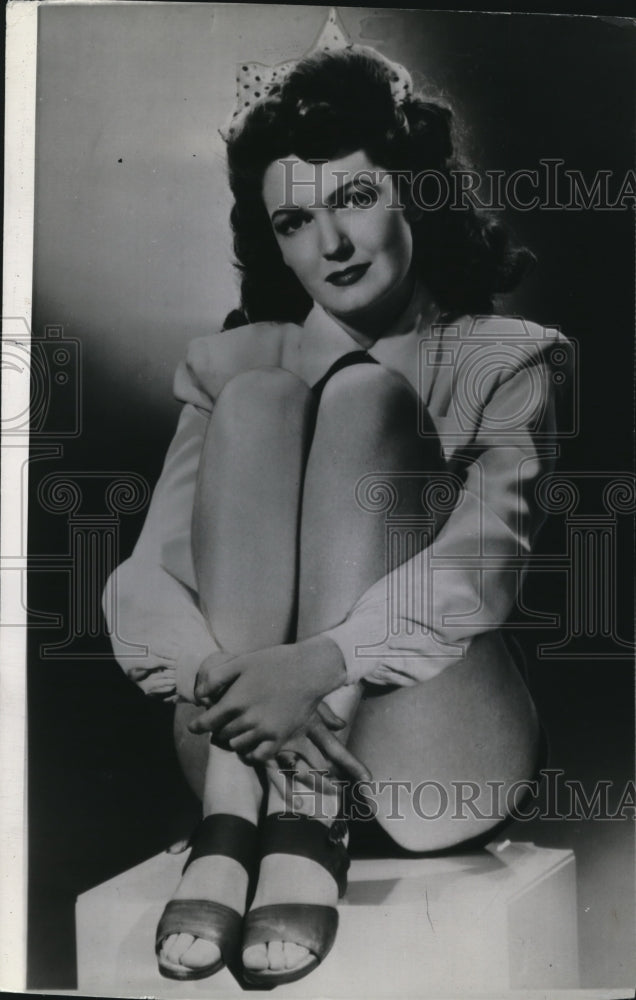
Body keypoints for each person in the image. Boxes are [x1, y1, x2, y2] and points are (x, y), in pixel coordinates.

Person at [103, 9, 569, 987]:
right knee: (267, 393)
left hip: (430, 755)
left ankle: (307, 814)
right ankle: (247, 816)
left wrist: (318, 662)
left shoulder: (512, 357)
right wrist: (240, 684)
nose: (333, 241)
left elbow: (482, 566)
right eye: (295, 220)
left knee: (365, 396)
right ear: (272, 240)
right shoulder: (226, 366)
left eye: (354, 197)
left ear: (416, 195)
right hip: (238, 755)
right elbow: (147, 578)